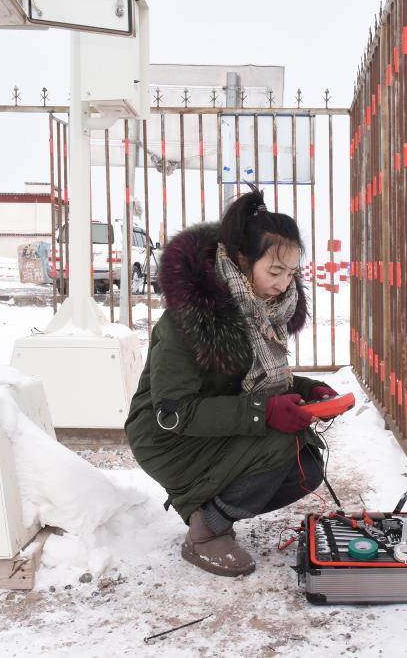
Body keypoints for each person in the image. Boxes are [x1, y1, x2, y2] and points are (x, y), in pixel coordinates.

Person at [124, 186, 339, 577]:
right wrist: (265, 412)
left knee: (306, 464)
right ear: (243, 260)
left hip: (214, 425)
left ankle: (211, 508)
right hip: (167, 437)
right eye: (275, 272)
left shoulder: (262, 310)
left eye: (291, 273)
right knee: (279, 443)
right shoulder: (191, 318)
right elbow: (174, 412)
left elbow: (251, 379)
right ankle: (206, 532)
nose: (284, 284)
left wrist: (308, 390)